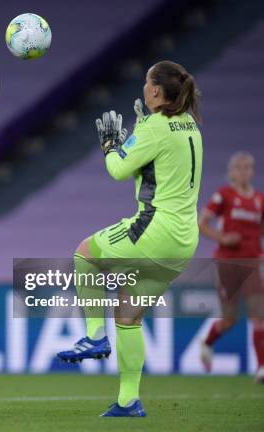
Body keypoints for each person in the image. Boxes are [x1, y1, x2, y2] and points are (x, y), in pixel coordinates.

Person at [57, 60, 203, 417]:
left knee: (84, 254)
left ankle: (93, 334)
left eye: (146, 83)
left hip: (155, 228)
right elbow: (157, 164)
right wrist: (138, 131)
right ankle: (128, 401)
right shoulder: (191, 125)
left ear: (155, 91)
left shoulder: (156, 126)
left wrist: (110, 146)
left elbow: (119, 169)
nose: (143, 88)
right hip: (184, 240)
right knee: (127, 313)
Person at [198, 151, 263, 383]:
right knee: (230, 320)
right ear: (232, 172)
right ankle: (206, 343)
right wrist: (223, 239)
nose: (244, 171)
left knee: (259, 317)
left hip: (252, 264)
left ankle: (261, 368)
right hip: (228, 265)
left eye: (248, 167)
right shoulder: (223, 195)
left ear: (252, 171)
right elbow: (202, 223)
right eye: (239, 167)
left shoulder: (259, 200)